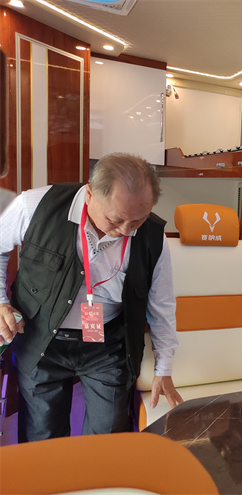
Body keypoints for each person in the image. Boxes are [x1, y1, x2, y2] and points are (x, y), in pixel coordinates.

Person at [0, 152, 183, 442]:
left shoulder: (151, 235)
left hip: (107, 346)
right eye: (116, 219)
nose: (125, 231)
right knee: (43, 438)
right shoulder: (35, 205)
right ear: (89, 194)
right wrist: (1, 301)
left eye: (137, 220)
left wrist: (164, 368)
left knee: (108, 439)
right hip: (40, 340)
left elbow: (162, 304)